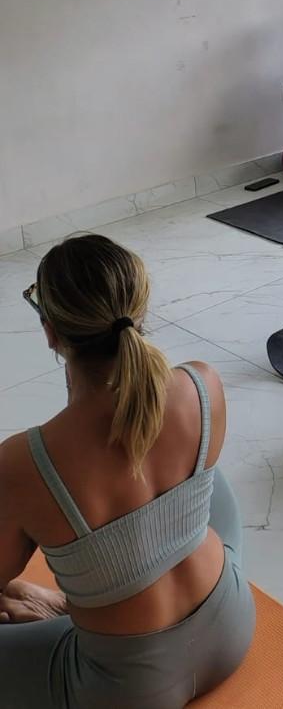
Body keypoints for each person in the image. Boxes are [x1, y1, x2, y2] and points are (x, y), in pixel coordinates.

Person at [0, 235, 254, 709]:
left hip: (124, 691)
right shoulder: (201, 382)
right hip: (232, 624)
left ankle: (77, 603)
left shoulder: (22, 461)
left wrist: (17, 586)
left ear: (51, 332)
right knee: (202, 474)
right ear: (140, 310)